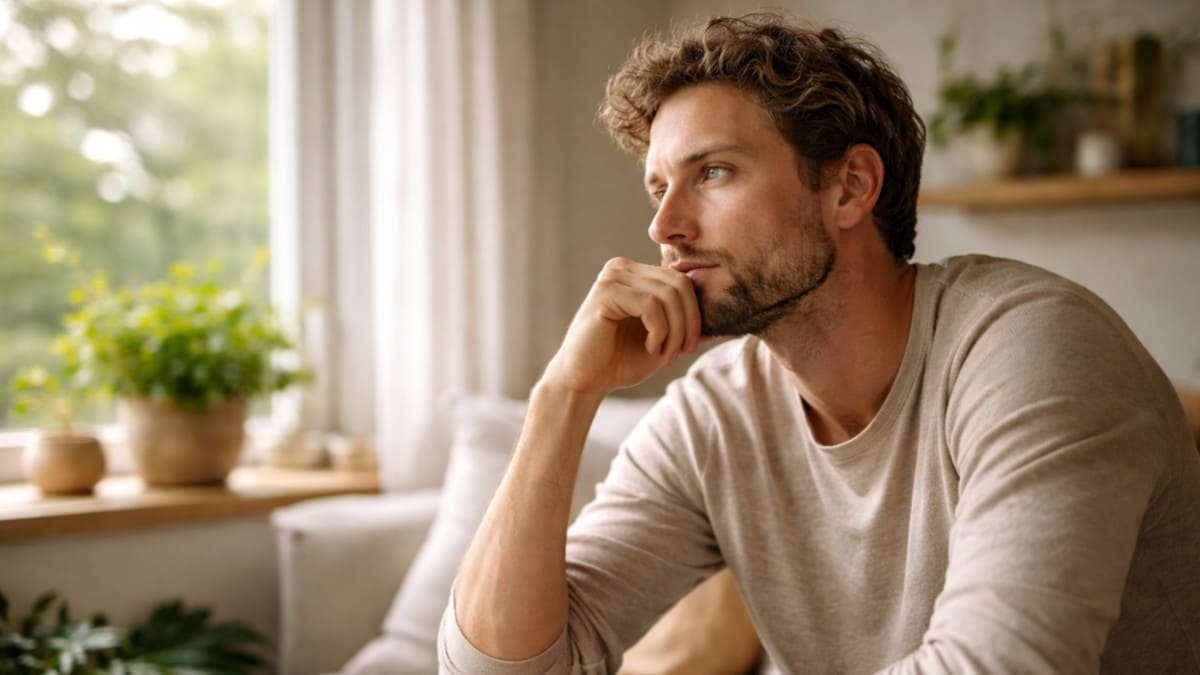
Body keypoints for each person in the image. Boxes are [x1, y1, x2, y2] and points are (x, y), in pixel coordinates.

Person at [438, 13, 1200, 674]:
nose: (663, 227)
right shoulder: (716, 415)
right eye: (657, 187)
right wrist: (562, 395)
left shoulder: (1034, 350)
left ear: (849, 187)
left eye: (713, 171)